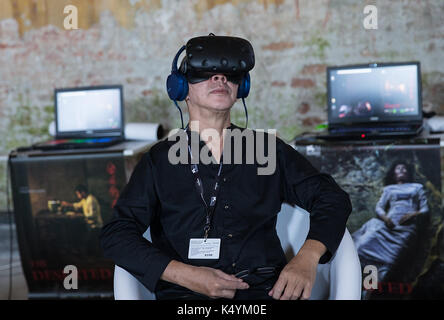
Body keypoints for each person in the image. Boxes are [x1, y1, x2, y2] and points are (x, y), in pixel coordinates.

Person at [100, 34, 352, 300]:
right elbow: (116, 234)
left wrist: (307, 257)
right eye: (205, 72)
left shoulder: (266, 149)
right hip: (186, 296)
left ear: (241, 87)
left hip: (263, 292)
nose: (219, 79)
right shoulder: (159, 161)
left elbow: (331, 197)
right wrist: (186, 275)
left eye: (229, 74)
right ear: (180, 88)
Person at [352, 161, 429, 289]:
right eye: (398, 168)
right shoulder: (389, 189)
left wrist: (413, 214)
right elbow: (379, 207)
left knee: (390, 260)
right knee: (364, 244)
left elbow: (425, 209)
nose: (402, 171)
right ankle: (357, 283)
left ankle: (372, 288)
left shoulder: (417, 187)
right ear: (393, 173)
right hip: (389, 225)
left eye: (404, 169)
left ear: (408, 173)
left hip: (406, 229)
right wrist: (385, 218)